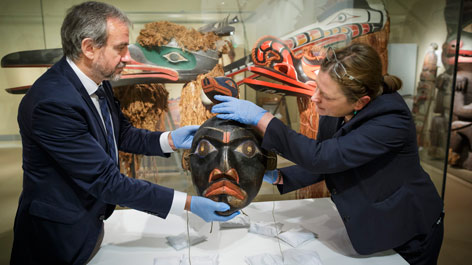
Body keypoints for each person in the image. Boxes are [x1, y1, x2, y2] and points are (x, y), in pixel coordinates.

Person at [10, 2, 238, 264]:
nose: (128, 57)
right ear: (89, 48)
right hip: (56, 240)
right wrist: (188, 204)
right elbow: (106, 182)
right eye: (120, 48)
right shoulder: (52, 103)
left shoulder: (99, 80)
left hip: (91, 225)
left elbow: (121, 134)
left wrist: (171, 139)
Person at [211, 43, 444, 265]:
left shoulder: (391, 121)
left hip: (407, 226)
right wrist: (280, 176)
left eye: (327, 96)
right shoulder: (337, 109)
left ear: (360, 102)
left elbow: (323, 156)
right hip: (371, 220)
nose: (315, 99)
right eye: (317, 87)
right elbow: (332, 160)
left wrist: (263, 118)